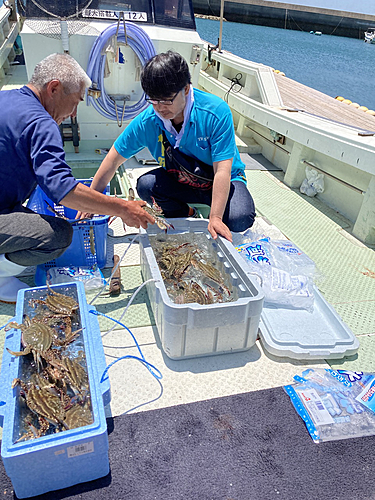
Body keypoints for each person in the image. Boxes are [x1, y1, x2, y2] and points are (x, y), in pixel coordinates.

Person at [0, 53, 154, 303]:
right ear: (54, 88)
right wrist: (123, 208)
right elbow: (63, 190)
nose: (74, 114)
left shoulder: (5, 98)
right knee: (57, 235)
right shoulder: (41, 122)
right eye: (75, 102)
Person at [88, 50, 255, 243]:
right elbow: (113, 159)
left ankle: (215, 210)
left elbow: (222, 171)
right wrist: (91, 201)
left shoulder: (216, 112)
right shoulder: (148, 121)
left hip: (223, 180)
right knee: (146, 186)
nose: (159, 107)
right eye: (153, 99)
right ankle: (186, 212)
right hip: (186, 181)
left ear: (185, 89)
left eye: (167, 100)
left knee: (239, 218)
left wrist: (215, 217)